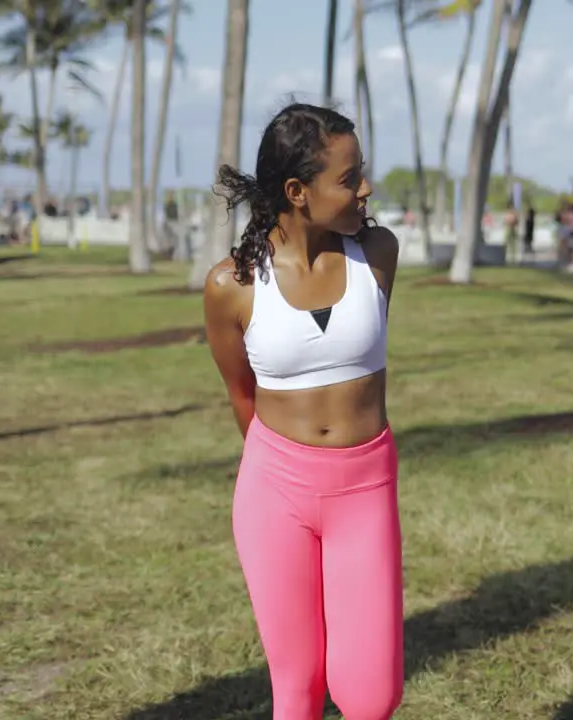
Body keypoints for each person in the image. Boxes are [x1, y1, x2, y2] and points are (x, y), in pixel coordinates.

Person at [201, 103, 403, 720]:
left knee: (372, 696)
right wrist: (285, 470)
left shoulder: (379, 253)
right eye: (348, 178)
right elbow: (242, 395)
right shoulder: (232, 285)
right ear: (297, 191)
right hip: (275, 492)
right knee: (298, 686)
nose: (364, 187)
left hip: (364, 489)